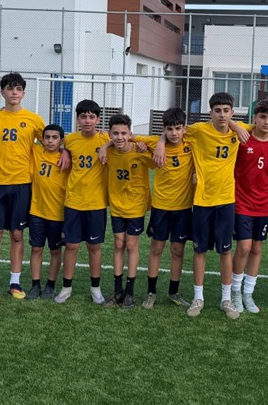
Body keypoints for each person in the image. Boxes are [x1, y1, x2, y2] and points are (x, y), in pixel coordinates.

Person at [157, 92, 247, 319]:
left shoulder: (241, 129)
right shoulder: (198, 130)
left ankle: (226, 299)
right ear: (210, 113)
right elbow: (173, 129)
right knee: (199, 250)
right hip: (202, 201)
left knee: (225, 250)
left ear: (232, 113)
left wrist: (235, 126)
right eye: (217, 111)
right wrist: (160, 142)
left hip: (226, 200)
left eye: (226, 111)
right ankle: (199, 297)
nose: (222, 115)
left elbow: (265, 126)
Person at [0, 72, 47, 300]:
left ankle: (15, 282)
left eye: (18, 89)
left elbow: (50, 142)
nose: (14, 92)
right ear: (2, 91)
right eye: (9, 88)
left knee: (17, 234)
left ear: (23, 93)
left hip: (23, 183)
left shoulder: (34, 119)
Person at [231, 99, 268, 315]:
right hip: (242, 201)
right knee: (244, 247)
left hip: (265, 203)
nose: (266, 122)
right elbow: (227, 120)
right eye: (262, 117)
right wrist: (237, 126)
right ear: (254, 118)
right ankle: (235, 292)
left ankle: (248, 293)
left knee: (257, 248)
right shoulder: (242, 137)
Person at [55, 100, 111, 304]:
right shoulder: (71, 140)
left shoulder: (105, 137)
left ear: (98, 119)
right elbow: (60, 146)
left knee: (94, 247)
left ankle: (95, 288)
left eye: (91, 117)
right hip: (73, 202)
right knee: (71, 246)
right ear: (78, 119)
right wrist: (65, 152)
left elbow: (125, 137)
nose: (87, 120)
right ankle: (66, 288)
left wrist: (107, 144)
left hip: (96, 204)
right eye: (83, 116)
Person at [141, 107, 196, 307]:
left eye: (177, 128)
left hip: (182, 208)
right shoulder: (155, 143)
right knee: (156, 248)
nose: (174, 133)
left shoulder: (192, 142)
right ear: (164, 129)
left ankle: (174, 292)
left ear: (184, 129)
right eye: (169, 129)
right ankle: (151, 292)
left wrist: (162, 141)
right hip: (161, 206)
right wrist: (159, 143)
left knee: (177, 250)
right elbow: (128, 137)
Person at [102, 114, 155, 308]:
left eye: (124, 133)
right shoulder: (107, 153)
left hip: (136, 205)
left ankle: (130, 291)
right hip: (116, 204)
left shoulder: (139, 151)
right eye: (115, 133)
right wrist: (104, 147)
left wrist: (144, 145)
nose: (119, 137)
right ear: (110, 134)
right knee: (118, 243)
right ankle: (117, 291)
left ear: (130, 134)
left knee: (131, 244)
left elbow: (157, 162)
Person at [28, 124, 69, 301]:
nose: (50, 141)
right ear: (42, 139)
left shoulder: (68, 159)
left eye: (54, 137)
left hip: (58, 213)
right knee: (36, 248)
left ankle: (50, 285)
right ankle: (35, 284)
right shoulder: (36, 152)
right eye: (47, 137)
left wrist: (66, 151)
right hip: (37, 210)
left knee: (54, 250)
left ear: (61, 140)